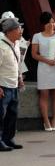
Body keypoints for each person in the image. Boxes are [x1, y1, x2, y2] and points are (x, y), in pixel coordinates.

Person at [31, 12, 55, 132]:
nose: (52, 24)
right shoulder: (37, 36)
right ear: (44, 24)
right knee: (44, 95)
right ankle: (46, 121)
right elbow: (34, 54)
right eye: (49, 22)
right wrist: (47, 61)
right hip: (44, 67)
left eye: (53, 22)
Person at [0, 18, 24, 151]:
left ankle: (8, 139)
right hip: (3, 86)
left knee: (12, 114)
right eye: (18, 29)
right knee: (0, 115)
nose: (20, 31)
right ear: (9, 31)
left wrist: (20, 78)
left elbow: (17, 63)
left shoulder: (15, 44)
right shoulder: (1, 46)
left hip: (13, 85)